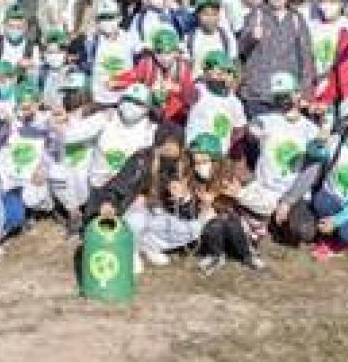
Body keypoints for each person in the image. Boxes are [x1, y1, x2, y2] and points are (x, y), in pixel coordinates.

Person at [276, 97, 348, 260]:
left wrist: (337, 220)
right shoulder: (335, 141)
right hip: (333, 200)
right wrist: (319, 140)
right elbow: (313, 153)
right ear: (341, 122)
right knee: (321, 201)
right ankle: (331, 239)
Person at [87, 124, 203, 271]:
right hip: (135, 210)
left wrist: (184, 198)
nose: (170, 150)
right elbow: (120, 185)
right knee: (137, 219)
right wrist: (110, 202)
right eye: (165, 146)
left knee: (194, 229)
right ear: (157, 144)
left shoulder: (186, 164)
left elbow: (190, 212)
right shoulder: (141, 160)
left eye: (175, 146)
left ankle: (150, 246)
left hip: (160, 212)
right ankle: (132, 251)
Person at [235, 73, 319, 236]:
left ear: (297, 94)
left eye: (287, 95)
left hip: (292, 193)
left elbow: (313, 169)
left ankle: (273, 217)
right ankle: (263, 217)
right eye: (278, 96)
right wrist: (248, 129)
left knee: (305, 231)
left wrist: (288, 201)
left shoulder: (311, 129)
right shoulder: (265, 120)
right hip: (264, 190)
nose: (283, 100)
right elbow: (247, 132)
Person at [239, 0, 316, 117]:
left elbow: (306, 58)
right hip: (258, 95)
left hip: (288, 95)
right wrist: (251, 38)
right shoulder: (256, 15)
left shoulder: (297, 19)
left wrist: (305, 93)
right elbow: (241, 50)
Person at [190, 133, 267, 275]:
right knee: (216, 222)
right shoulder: (193, 180)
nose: (199, 167)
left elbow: (267, 206)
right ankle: (215, 256)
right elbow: (192, 218)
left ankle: (248, 255)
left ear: (216, 160)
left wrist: (240, 194)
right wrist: (202, 205)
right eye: (196, 162)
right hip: (210, 234)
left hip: (242, 231)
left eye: (204, 161)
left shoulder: (236, 175)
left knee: (228, 218)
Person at [60, 83, 157, 192]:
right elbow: (69, 136)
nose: (131, 105)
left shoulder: (151, 130)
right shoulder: (105, 117)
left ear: (147, 108)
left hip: (127, 193)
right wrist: (55, 123)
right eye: (127, 99)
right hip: (97, 188)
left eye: (137, 102)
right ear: (120, 101)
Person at [0, 83, 57, 229]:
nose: (25, 109)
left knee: (34, 197)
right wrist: (4, 127)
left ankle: (41, 208)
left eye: (29, 105)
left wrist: (43, 166)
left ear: (38, 103)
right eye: (22, 105)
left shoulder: (47, 121)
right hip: (16, 167)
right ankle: (18, 211)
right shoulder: (13, 120)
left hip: (37, 169)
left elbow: (55, 147)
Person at [112, 27, 197, 124]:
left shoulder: (182, 69)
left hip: (176, 117)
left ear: (176, 52)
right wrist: (116, 83)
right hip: (151, 113)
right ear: (154, 52)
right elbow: (126, 79)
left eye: (169, 53)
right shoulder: (147, 64)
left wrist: (177, 89)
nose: (165, 58)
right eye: (160, 52)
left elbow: (192, 97)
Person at [47, 71, 94, 235]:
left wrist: (58, 124)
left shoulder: (96, 115)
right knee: (55, 172)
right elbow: (54, 141)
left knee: (82, 174)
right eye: (67, 92)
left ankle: (90, 213)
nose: (68, 96)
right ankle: (74, 214)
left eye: (73, 92)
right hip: (67, 163)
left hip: (88, 166)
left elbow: (71, 136)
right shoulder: (60, 114)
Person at [185, 51, 247, 159]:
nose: (222, 75)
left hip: (219, 155)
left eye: (227, 72)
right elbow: (186, 95)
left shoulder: (235, 103)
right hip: (195, 152)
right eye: (219, 71)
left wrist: (228, 147)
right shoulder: (199, 90)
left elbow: (239, 129)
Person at [81, 0, 141, 107]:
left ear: (119, 18)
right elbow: (85, 66)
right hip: (99, 100)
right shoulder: (91, 41)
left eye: (110, 17)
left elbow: (141, 66)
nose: (106, 21)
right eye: (102, 18)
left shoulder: (131, 39)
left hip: (125, 100)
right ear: (97, 22)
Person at [307, 0, 348, 112]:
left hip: (336, 94)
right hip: (312, 91)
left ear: (342, 4)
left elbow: (344, 68)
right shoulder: (312, 27)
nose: (328, 5)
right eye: (324, 0)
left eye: (333, 1)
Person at [186, 0, 237, 78]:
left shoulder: (226, 38)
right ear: (198, 15)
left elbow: (232, 67)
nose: (210, 18)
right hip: (197, 88)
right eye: (205, 14)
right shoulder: (189, 38)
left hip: (221, 88)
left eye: (214, 14)